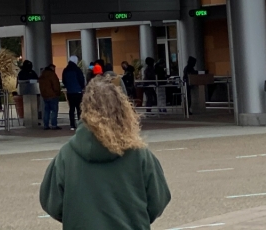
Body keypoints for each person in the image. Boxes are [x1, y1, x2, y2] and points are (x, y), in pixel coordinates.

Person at [39, 78, 171, 230]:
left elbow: (52, 203)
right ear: (122, 108)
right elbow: (158, 201)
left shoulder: (66, 155)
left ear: (85, 109)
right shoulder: (139, 154)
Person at [62, 56, 85, 131]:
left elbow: (64, 81)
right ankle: (80, 124)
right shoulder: (77, 70)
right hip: (78, 91)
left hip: (70, 92)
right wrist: (82, 87)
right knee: (79, 109)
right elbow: (81, 80)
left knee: (71, 109)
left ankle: (72, 125)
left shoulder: (65, 70)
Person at [39, 63, 62, 131]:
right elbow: (56, 85)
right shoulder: (52, 75)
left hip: (45, 96)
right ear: (52, 68)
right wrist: (57, 93)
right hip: (53, 95)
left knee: (47, 111)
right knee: (54, 111)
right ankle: (54, 125)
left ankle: (46, 125)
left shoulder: (42, 75)